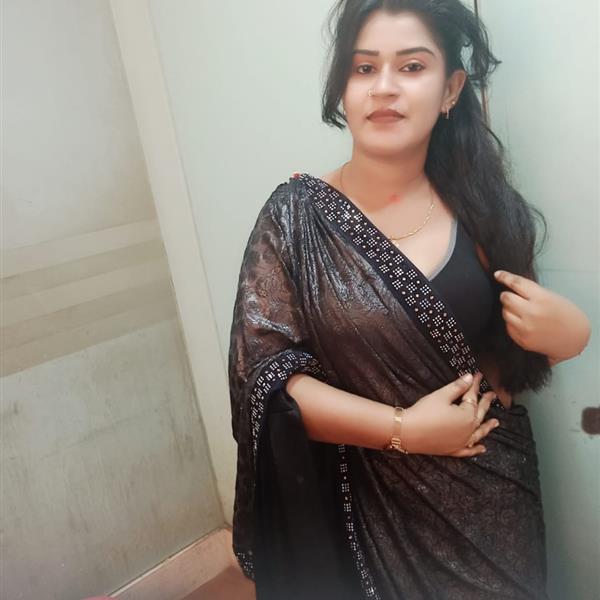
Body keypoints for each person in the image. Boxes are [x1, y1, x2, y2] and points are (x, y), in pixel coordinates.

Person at [227, 1, 592, 599]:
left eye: (412, 67)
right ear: (341, 88)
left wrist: (573, 335)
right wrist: (403, 430)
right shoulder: (294, 220)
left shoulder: (484, 210)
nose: (384, 87)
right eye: (364, 68)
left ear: (451, 89)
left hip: (487, 501)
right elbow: (265, 382)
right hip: (358, 514)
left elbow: (511, 368)